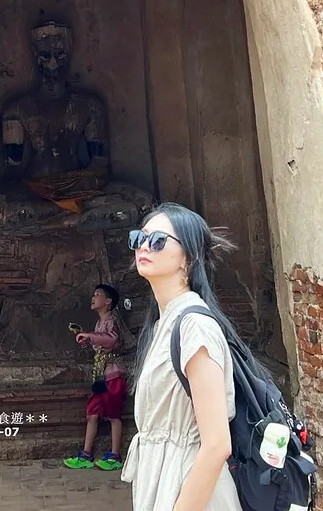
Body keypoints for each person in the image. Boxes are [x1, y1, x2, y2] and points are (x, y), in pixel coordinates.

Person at [122, 202, 258, 510]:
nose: (144, 246)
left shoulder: (194, 326)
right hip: (164, 479)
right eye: (139, 238)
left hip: (191, 489)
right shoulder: (164, 323)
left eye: (158, 240)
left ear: (189, 257)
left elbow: (216, 445)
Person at [63, 283, 128, 471]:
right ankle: (86, 454)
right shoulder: (99, 323)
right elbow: (99, 343)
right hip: (100, 375)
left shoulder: (112, 320)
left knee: (114, 415)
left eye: (97, 294)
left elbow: (111, 340)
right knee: (92, 413)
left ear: (108, 301)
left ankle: (115, 456)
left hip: (113, 374)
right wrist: (86, 338)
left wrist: (90, 335)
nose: (93, 297)